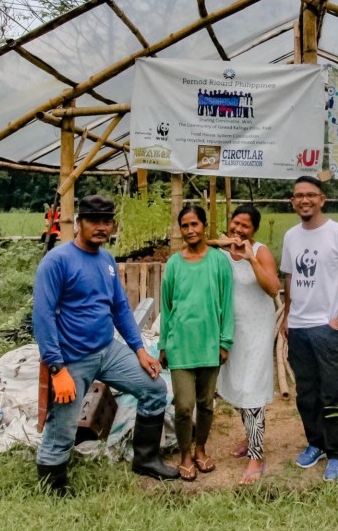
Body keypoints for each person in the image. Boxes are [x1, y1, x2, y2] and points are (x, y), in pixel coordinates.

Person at [32, 194, 178, 495]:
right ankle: (53, 486)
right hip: (72, 359)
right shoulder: (56, 262)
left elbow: (121, 308)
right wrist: (57, 370)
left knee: (154, 389)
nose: (101, 227)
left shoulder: (106, 260)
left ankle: (146, 459)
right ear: (79, 224)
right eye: (94, 221)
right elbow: (43, 318)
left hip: (108, 350)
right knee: (63, 426)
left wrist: (139, 350)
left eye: (107, 221)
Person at [280, 176, 338, 482]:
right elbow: (289, 279)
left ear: (322, 199)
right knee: (306, 393)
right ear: (293, 201)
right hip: (299, 327)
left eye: (310, 195)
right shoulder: (291, 237)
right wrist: (288, 317)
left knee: (333, 392)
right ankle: (315, 443)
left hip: (327, 327)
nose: (304, 200)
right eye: (299, 195)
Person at [159, 204, 234, 482]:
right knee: (182, 406)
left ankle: (200, 449)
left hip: (209, 344)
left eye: (195, 224)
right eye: (185, 225)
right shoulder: (174, 264)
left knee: (205, 403)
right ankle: (185, 454)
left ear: (204, 227)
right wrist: (163, 345)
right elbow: (167, 308)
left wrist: (225, 341)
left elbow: (227, 303)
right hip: (180, 346)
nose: (190, 230)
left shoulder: (218, 261)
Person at [215, 203, 281, 485]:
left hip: (256, 328)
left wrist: (250, 258)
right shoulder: (220, 251)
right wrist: (223, 242)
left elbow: (273, 288)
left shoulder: (261, 251)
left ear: (254, 230)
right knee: (239, 383)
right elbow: (196, 241)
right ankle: (249, 436)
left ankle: (256, 455)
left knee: (251, 386)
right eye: (235, 223)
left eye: (245, 226)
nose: (238, 230)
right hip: (233, 329)